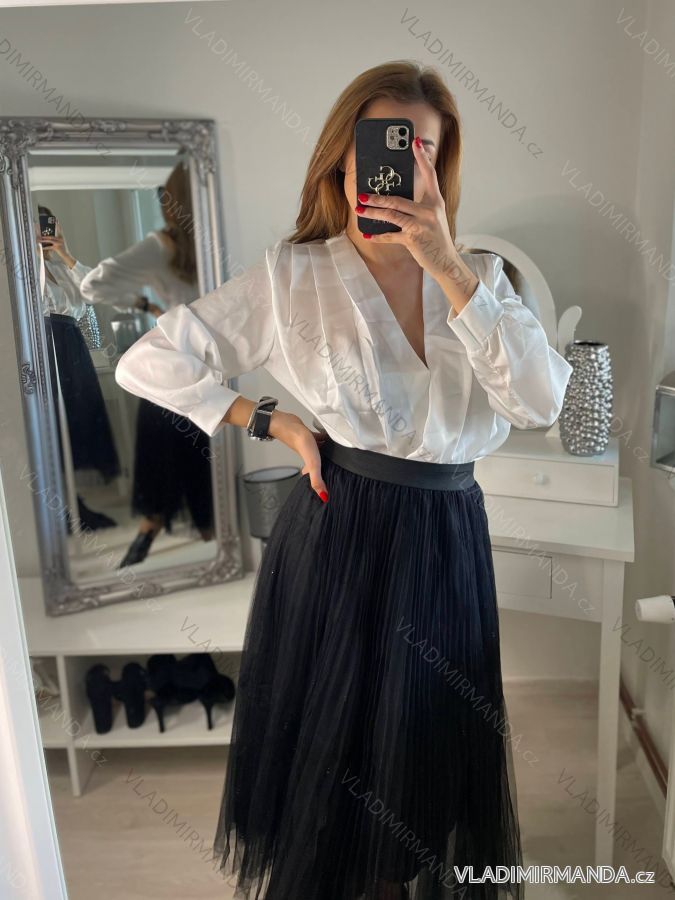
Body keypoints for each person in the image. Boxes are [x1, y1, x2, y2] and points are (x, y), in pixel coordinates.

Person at [113, 61, 573, 900]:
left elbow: (539, 403)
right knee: (340, 756)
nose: (403, 164)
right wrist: (272, 421)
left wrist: (446, 264)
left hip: (446, 534)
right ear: (343, 158)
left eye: (421, 148)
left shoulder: (481, 277)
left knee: (427, 741)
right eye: (384, 145)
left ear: (440, 162)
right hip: (341, 526)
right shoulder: (292, 276)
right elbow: (148, 361)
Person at [80, 161, 215, 568]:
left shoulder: (200, 242)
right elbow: (92, 286)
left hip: (193, 366)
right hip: (191, 366)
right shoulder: (173, 245)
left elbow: (94, 285)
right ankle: (171, 532)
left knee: (188, 452)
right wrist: (142, 303)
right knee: (181, 449)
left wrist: (146, 304)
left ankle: (171, 534)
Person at [35, 206, 120, 533]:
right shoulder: (24, 271)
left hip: (73, 346)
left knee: (80, 420)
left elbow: (97, 291)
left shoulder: (63, 266)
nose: (45, 233)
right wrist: (35, 256)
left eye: (50, 226)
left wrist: (65, 253)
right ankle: (61, 506)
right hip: (47, 348)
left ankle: (73, 502)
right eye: (39, 228)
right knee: (56, 425)